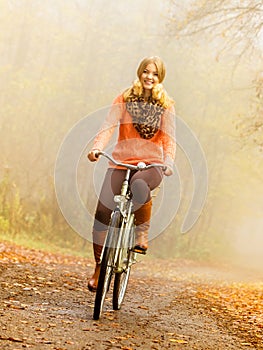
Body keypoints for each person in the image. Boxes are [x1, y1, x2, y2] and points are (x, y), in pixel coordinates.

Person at [87, 56, 176, 292]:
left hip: (151, 166)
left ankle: (140, 236)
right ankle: (99, 266)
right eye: (146, 72)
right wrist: (97, 147)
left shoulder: (166, 105)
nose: (149, 76)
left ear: (160, 78)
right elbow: (108, 126)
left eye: (155, 74)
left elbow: (169, 140)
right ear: (140, 73)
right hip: (121, 161)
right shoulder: (124, 98)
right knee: (102, 212)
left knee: (139, 185)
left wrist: (168, 162)